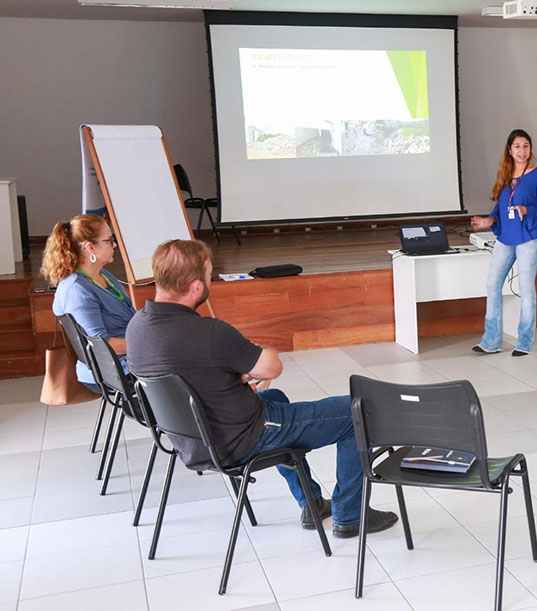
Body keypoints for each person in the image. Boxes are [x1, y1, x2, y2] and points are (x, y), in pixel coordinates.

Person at [125, 239, 397, 535]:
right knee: (359, 410)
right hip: (242, 438)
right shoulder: (209, 333)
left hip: (193, 441)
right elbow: (271, 366)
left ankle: (311, 502)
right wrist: (244, 358)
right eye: (208, 275)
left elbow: (185, 374)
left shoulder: (137, 326)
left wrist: (226, 375)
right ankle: (350, 515)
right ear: (194, 287)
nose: (209, 280)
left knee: (275, 397)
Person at [470, 129, 537, 356]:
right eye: (517, 146)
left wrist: (527, 210)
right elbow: (500, 209)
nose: (522, 151)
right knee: (492, 284)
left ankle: (524, 343)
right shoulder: (505, 176)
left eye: (526, 146)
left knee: (526, 289)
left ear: (530, 149)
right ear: (509, 150)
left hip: (529, 238)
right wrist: (489, 220)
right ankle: (491, 341)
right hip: (505, 238)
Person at [41, 214, 135, 392]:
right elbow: (102, 345)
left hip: (128, 359)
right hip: (112, 370)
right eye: (109, 240)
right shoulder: (77, 290)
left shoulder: (104, 276)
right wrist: (148, 344)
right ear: (90, 247)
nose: (114, 245)